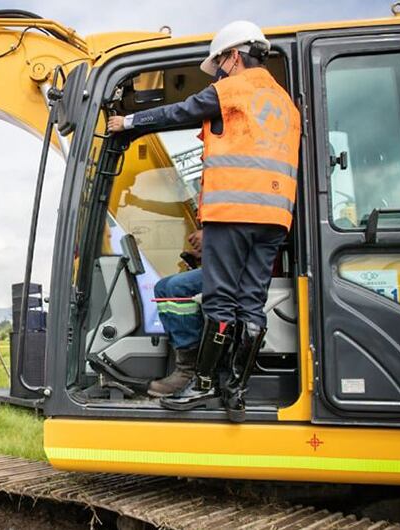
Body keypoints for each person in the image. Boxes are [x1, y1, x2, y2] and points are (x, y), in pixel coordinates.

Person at [108, 20, 299, 420]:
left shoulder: (235, 89)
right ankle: (235, 391)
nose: (221, 72)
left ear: (234, 55)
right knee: (251, 303)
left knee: (220, 300)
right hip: (275, 216)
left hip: (233, 210)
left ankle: (204, 385)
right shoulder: (285, 103)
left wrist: (128, 123)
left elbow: (182, 111)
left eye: (221, 63)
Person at [145, 230, 205, 398]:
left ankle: (189, 372)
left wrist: (212, 238)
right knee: (162, 287)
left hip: (240, 271)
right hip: (225, 263)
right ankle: (180, 360)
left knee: (178, 287)